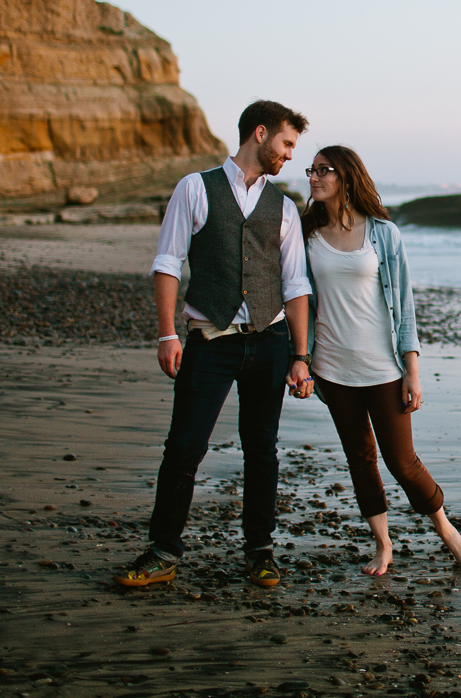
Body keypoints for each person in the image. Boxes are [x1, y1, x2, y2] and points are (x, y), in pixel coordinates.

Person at [114, 100, 315, 589]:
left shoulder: (284, 207)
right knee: (184, 446)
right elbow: (168, 263)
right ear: (261, 134)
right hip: (209, 340)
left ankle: (260, 551)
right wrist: (166, 334)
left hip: (269, 343)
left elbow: (296, 285)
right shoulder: (194, 189)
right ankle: (163, 551)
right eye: (287, 143)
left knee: (261, 451)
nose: (290, 155)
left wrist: (300, 357)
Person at [302, 145, 461, 575]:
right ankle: (383, 544)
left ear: (346, 176)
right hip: (332, 367)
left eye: (324, 170)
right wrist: (301, 360)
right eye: (312, 169)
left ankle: (444, 526)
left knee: (402, 461)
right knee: (360, 457)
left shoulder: (383, 233)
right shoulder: (306, 234)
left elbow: (405, 306)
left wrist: (411, 369)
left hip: (383, 369)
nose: (314, 177)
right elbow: (300, 300)